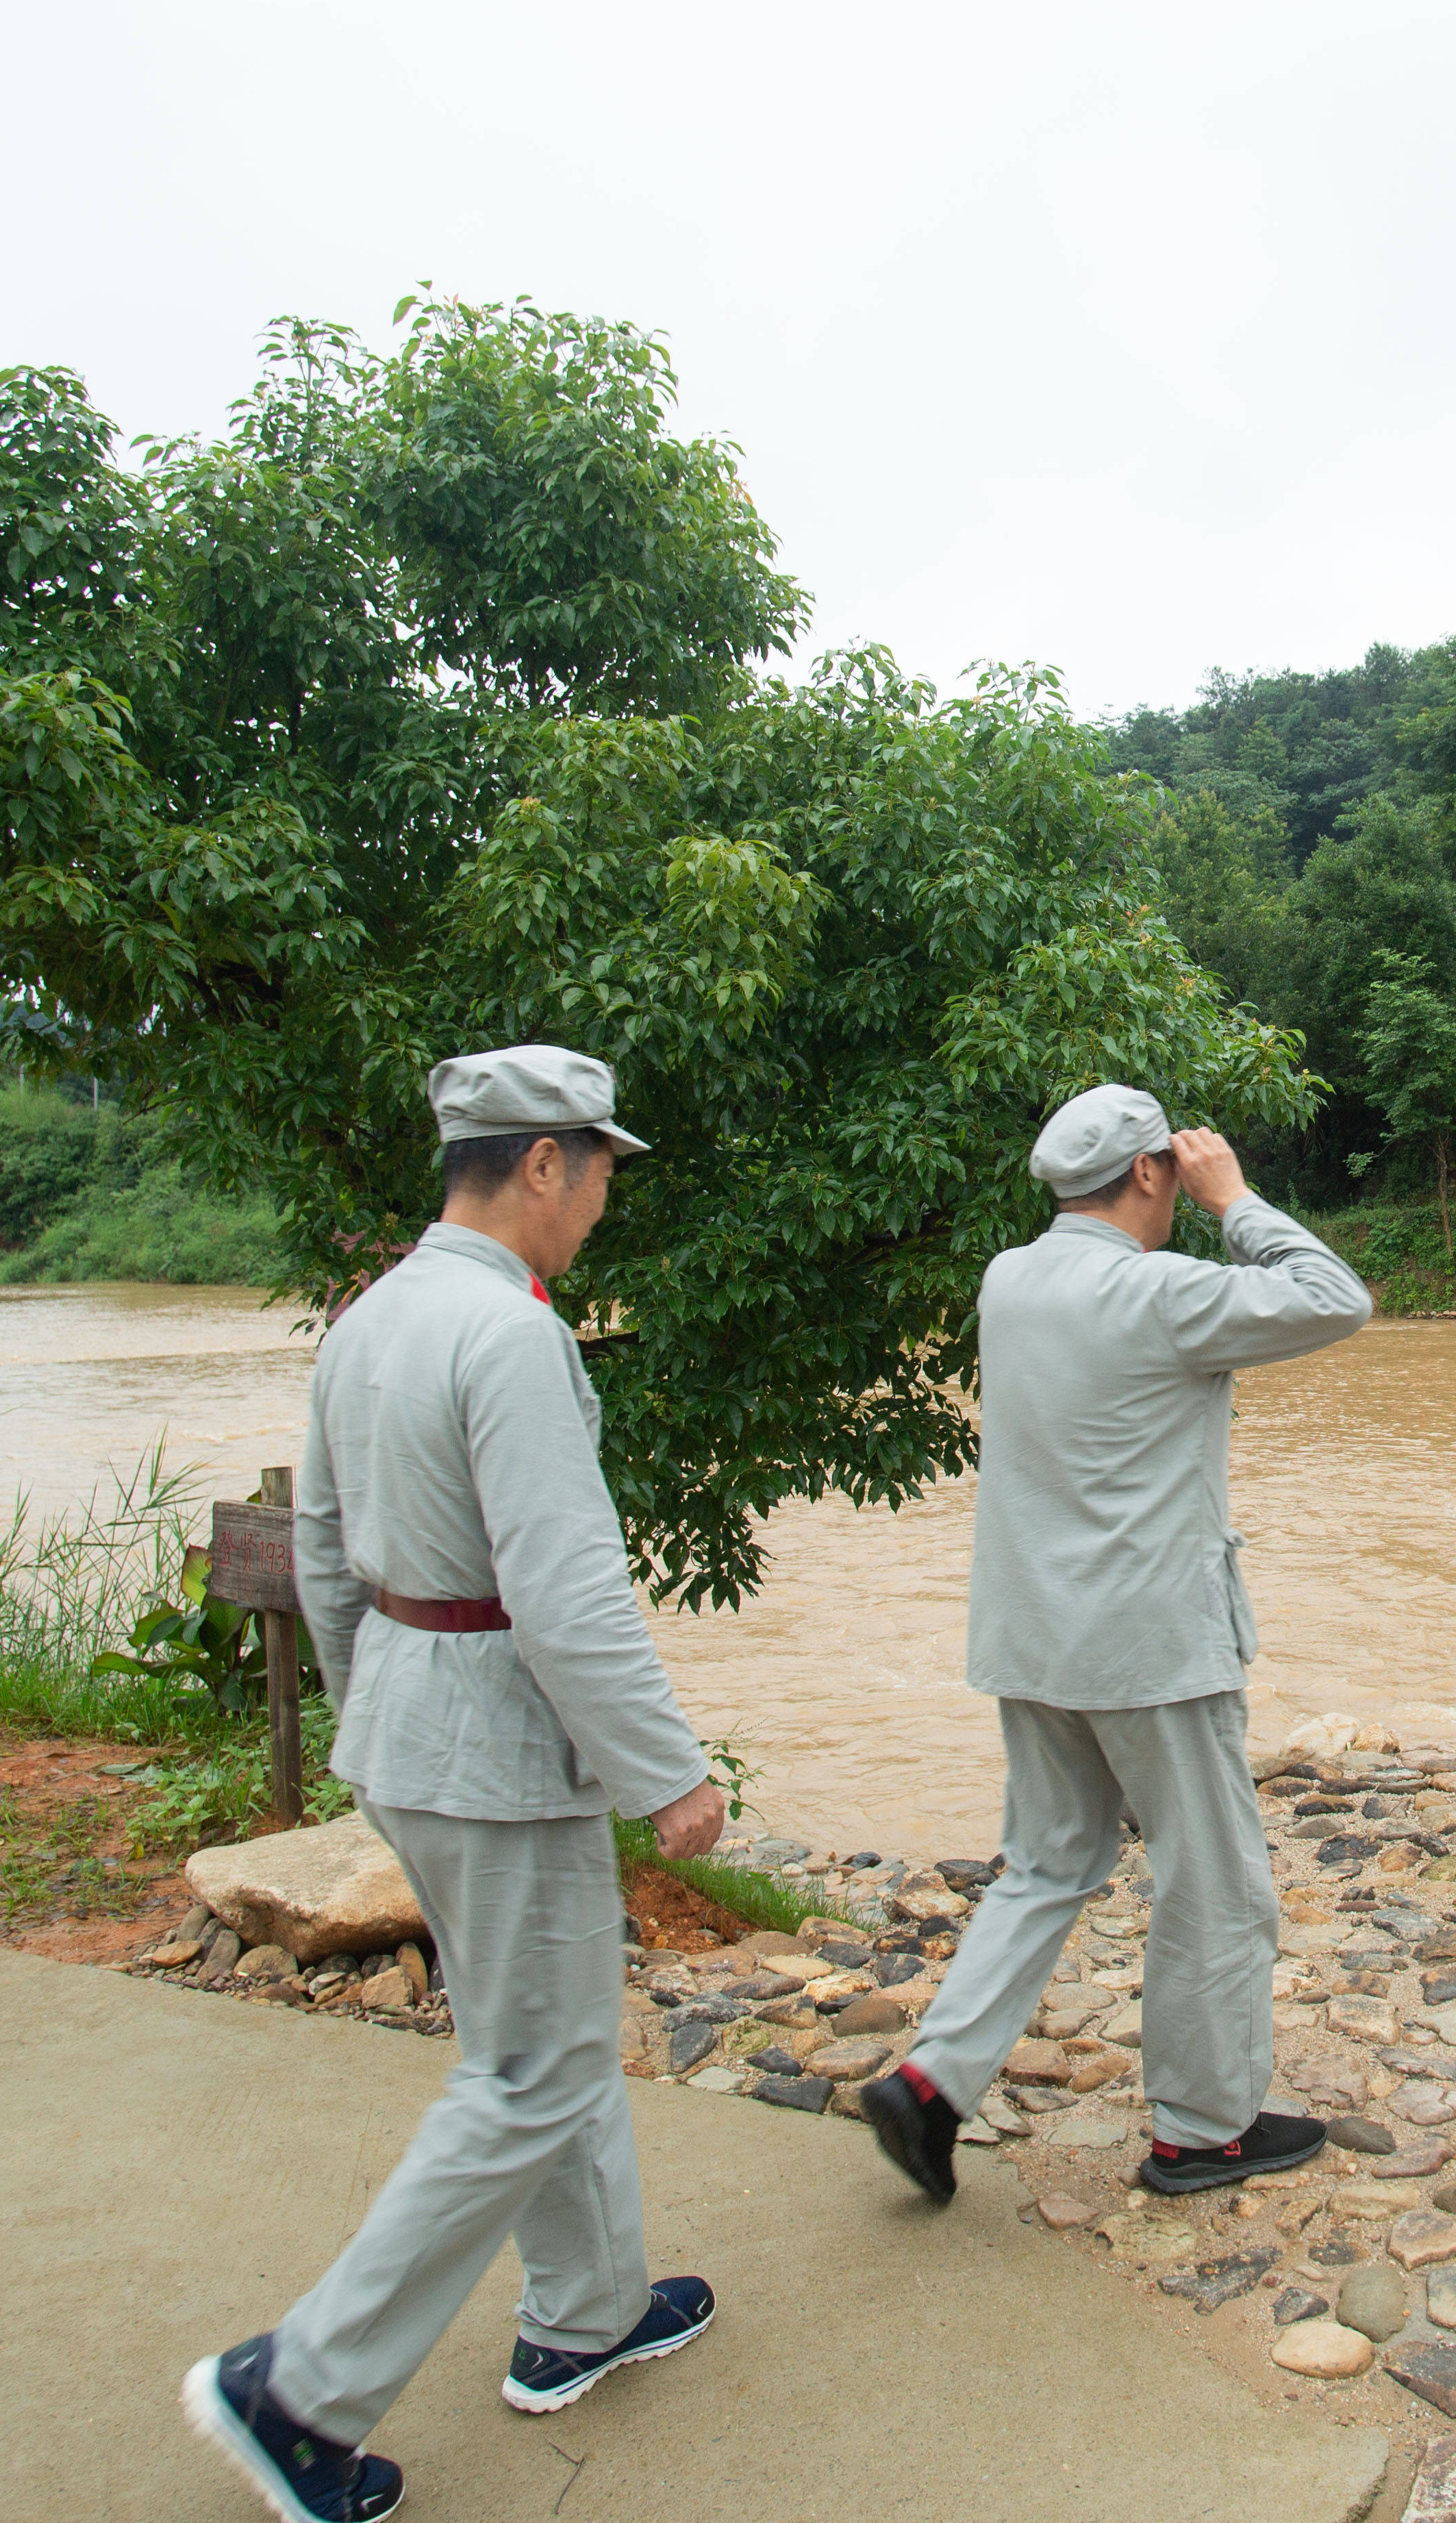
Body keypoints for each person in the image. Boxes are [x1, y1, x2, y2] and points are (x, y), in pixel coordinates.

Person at [186, 1047, 732, 2523]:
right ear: (543, 1162)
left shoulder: (369, 1322)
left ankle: (588, 2308)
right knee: (533, 2065)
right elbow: (565, 1591)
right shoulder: (510, 1337)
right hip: (501, 1747)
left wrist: (386, 1719)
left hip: (415, 1731)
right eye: (603, 1164)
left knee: (529, 2033)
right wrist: (666, 1771)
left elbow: (323, 1552)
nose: (607, 1192)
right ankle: (301, 2392)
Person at [859, 1085, 1370, 2209]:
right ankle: (1202, 2131)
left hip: (1032, 1634)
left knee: (1049, 1862)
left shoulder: (1010, 1279)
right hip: (1150, 1645)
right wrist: (1237, 1200)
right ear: (1151, 1174)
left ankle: (935, 2079)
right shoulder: (1160, 1294)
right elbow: (1336, 1298)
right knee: (1215, 1881)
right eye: (1175, 1173)